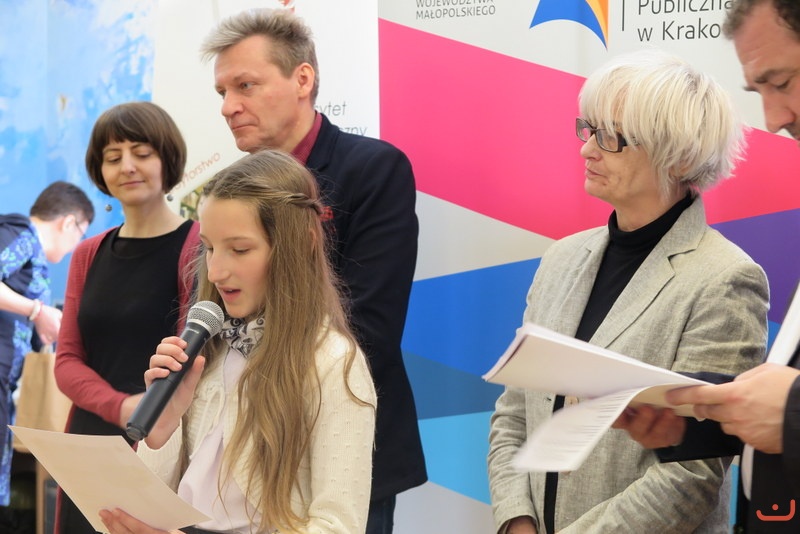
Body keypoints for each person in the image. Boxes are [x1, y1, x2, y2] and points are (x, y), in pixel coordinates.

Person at [487, 48, 770, 534]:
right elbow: (516, 412)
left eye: (612, 137)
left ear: (680, 157)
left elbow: (692, 473)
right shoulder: (561, 259)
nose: (587, 150)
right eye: (589, 129)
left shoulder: (725, 278)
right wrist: (517, 520)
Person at [199, 9, 425, 533]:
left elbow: (369, 325)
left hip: (335, 445)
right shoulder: (224, 190)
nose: (229, 107)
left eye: (246, 85)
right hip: (229, 452)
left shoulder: (372, 169)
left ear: (303, 79)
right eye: (222, 92)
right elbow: (209, 314)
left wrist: (260, 389)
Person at [98, 149, 376, 534]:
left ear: (301, 243)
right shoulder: (207, 348)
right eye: (209, 247)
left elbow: (338, 526)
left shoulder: (332, 361)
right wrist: (163, 430)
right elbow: (144, 509)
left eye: (239, 249)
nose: (215, 271)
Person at [613, 2, 800, 532]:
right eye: (758, 91)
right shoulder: (566, 257)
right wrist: (693, 419)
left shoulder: (727, 273)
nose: (773, 119)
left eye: (782, 82)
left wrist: (790, 413)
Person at [53, 101, 201, 534]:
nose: (127, 167)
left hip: (157, 441)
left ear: (166, 159)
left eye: (141, 152)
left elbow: (192, 359)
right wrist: (120, 407)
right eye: (113, 157)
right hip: (88, 442)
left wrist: (141, 413)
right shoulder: (88, 253)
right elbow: (67, 361)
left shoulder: (197, 246)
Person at [0, 181, 93, 516]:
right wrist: (37, 311)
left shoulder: (29, 249)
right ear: (69, 222)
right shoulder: (23, 235)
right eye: (81, 233)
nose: (77, 244)